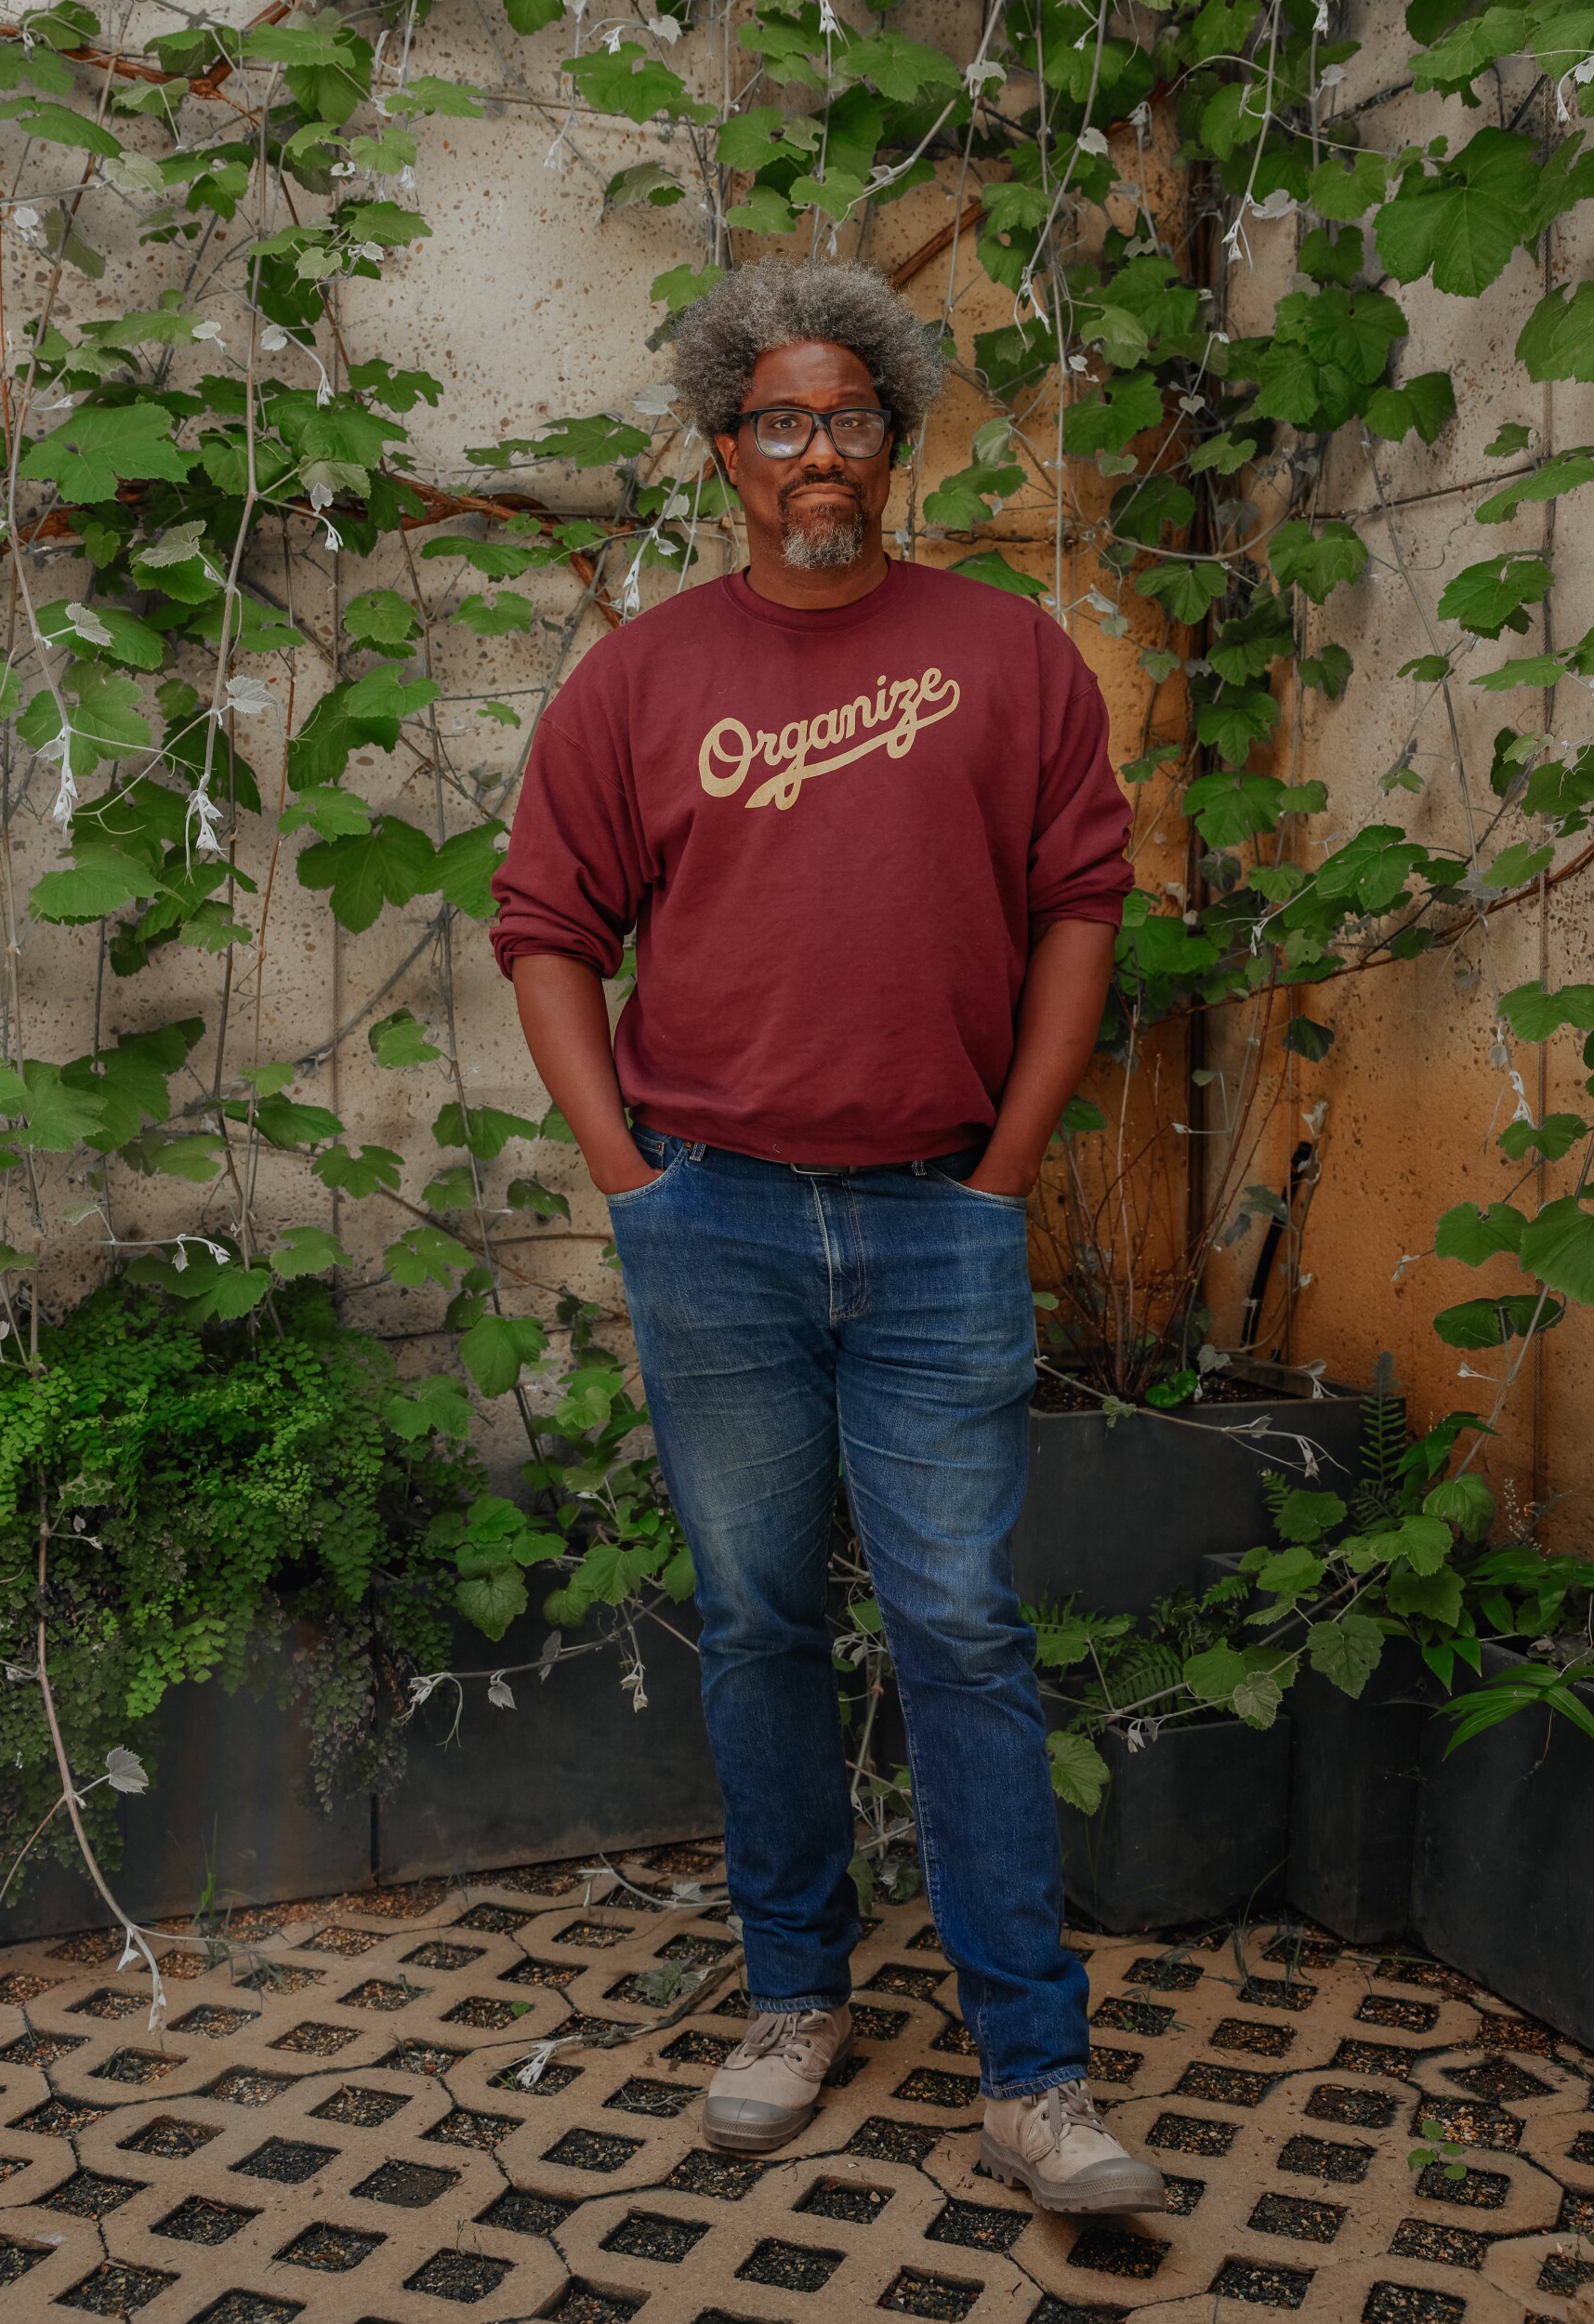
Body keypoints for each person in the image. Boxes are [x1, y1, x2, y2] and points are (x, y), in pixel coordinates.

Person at [492, 257, 1163, 2214]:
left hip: (937, 1219)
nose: (815, 450)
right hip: (712, 1219)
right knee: (763, 1614)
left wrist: (1000, 1169)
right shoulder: (639, 677)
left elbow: (1079, 907)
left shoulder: (1009, 651)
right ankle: (795, 1993)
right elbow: (546, 926)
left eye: (847, 415)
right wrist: (628, 1177)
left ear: (894, 439)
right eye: (777, 419)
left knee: (957, 1620)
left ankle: (1033, 2071)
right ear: (726, 451)